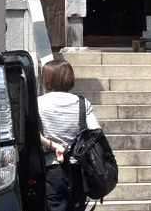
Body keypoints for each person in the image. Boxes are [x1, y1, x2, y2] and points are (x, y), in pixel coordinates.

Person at [38, 58, 101, 211]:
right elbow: (96, 131)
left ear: (46, 78)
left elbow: (32, 133)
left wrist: (53, 146)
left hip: (52, 168)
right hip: (78, 168)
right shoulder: (82, 103)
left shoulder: (38, 103)